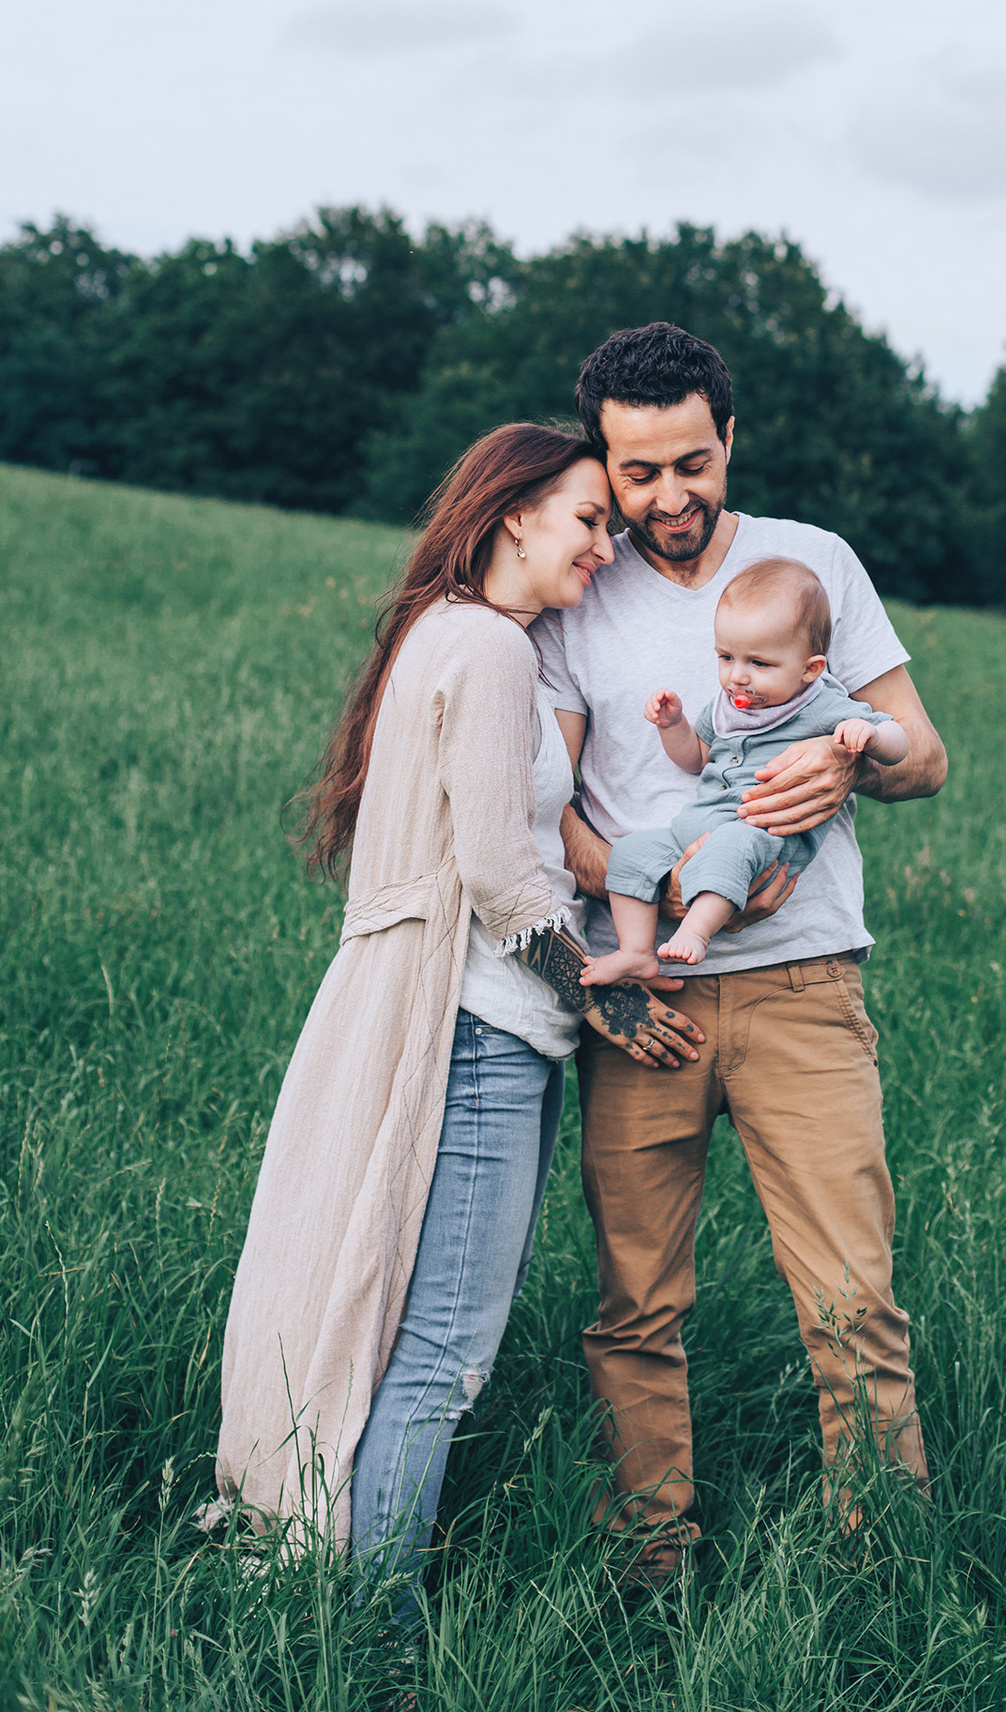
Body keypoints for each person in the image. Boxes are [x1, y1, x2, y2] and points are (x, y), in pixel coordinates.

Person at [211, 423, 706, 1614]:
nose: (607, 542)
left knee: (402, 1329)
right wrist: (606, 1000)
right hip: (483, 1035)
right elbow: (495, 868)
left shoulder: (450, 636)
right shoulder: (486, 649)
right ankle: (376, 1645)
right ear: (514, 515)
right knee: (442, 1353)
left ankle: (333, 1591)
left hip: (467, 1024)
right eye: (589, 518)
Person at [532, 321, 947, 1573]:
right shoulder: (578, 580)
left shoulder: (811, 563)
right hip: (642, 994)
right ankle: (649, 1559)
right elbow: (546, 807)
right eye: (639, 474)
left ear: (730, 439)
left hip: (805, 990)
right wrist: (647, 910)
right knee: (635, 1308)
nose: (668, 499)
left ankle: (881, 1571)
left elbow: (922, 758)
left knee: (851, 1301)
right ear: (605, 461)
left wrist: (838, 777)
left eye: (692, 465)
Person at [582, 556, 908, 982]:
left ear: (811, 669)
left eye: (759, 664)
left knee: (732, 846)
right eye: (726, 657)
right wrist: (673, 725)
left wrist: (868, 734)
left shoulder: (822, 704)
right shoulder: (728, 706)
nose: (737, 677)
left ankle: (696, 932)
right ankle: (637, 951)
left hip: (764, 833)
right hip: (695, 828)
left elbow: (899, 741)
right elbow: (696, 757)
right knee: (631, 853)